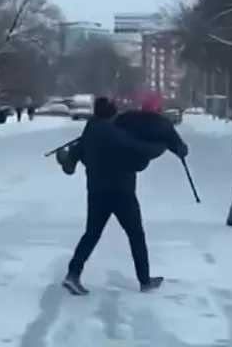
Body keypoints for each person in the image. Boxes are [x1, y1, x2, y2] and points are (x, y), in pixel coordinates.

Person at [61, 97, 187, 295]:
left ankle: (73, 274)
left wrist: (69, 158)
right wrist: (163, 146)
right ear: (111, 113)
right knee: (136, 235)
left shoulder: (91, 129)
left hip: (96, 189)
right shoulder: (113, 133)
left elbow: (75, 157)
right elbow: (139, 150)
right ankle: (145, 281)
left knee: (91, 233)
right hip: (121, 191)